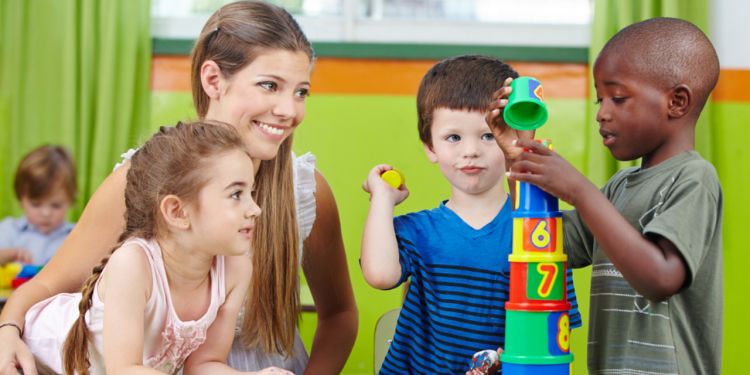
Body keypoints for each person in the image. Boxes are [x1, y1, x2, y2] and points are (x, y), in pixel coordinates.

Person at [0, 2, 357, 374]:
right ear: (213, 79)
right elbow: (45, 287)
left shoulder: (305, 191)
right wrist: (7, 332)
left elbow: (340, 314)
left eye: (301, 92)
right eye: (270, 85)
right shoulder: (145, 180)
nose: (289, 110)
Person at [489, 18, 723, 374]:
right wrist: (518, 155)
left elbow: (660, 279)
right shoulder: (619, 188)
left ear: (676, 102)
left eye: (618, 98)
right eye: (600, 99)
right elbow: (553, 242)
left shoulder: (694, 179)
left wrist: (580, 191)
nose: (601, 113)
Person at [360, 55, 582, 374]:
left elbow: (554, 334)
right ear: (430, 147)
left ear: (510, 140)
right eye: (454, 137)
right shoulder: (419, 230)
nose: (471, 151)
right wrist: (381, 198)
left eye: (488, 136)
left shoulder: (539, 235)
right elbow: (380, 275)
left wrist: (514, 358)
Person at [21, 122, 289, 374]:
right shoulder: (133, 264)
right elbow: (123, 370)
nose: (255, 209)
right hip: (32, 361)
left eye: (250, 193)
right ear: (177, 211)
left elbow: (204, 364)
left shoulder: (235, 268)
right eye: (235, 194)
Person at [0, 145, 76, 265]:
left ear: (70, 200)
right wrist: (10, 254)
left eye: (56, 205)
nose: (46, 213)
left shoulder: (75, 236)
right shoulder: (9, 230)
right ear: (20, 199)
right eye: (36, 204)